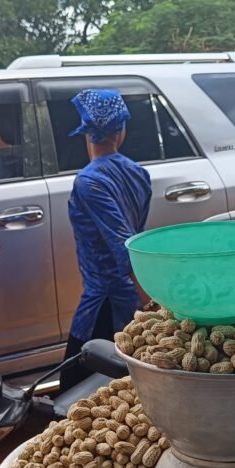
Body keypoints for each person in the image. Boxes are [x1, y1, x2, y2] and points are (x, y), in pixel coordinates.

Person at [59, 89, 152, 392]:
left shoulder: (88, 181)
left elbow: (124, 245)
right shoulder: (138, 173)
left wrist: (152, 307)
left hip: (105, 307)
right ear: (120, 129)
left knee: (74, 393)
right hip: (130, 300)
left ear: (86, 132)